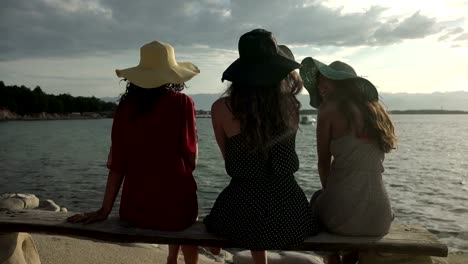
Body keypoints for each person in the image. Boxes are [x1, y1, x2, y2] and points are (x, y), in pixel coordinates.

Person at [67, 41, 201, 264]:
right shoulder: (182, 103)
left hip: (135, 212)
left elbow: (117, 163)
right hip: (176, 213)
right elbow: (191, 159)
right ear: (171, 73)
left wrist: (104, 209)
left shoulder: (125, 107)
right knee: (186, 212)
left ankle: (170, 259)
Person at [203, 29, 321, 264]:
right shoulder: (291, 107)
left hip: (241, 210)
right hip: (289, 212)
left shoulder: (220, 109)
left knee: (215, 226)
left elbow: (230, 159)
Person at [300, 57, 397, 264]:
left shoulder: (328, 110)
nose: (320, 86)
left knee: (317, 201)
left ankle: (334, 259)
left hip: (344, 216)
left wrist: (331, 193)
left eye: (326, 80)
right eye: (319, 81)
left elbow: (323, 163)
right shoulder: (375, 111)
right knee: (351, 204)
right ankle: (349, 259)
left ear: (341, 82)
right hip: (381, 218)